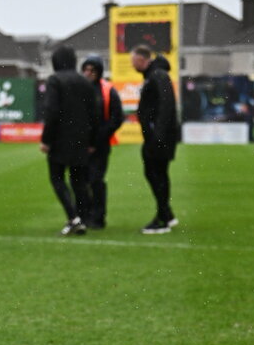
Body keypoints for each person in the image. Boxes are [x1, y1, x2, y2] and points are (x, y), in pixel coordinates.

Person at [40, 44, 99, 236]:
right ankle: (82, 218)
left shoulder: (55, 80)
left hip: (60, 139)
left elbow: (51, 111)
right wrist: (92, 141)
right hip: (81, 138)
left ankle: (73, 218)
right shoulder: (85, 82)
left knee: (57, 178)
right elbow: (94, 114)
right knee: (79, 181)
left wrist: (46, 139)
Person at [131, 44, 180, 234]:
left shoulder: (157, 76)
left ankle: (162, 218)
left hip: (159, 136)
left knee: (156, 173)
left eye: (133, 61)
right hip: (157, 135)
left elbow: (167, 105)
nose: (132, 65)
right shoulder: (155, 75)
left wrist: (158, 134)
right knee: (155, 173)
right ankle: (166, 214)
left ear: (142, 60)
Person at [80, 55, 124, 229]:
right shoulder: (77, 89)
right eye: (86, 69)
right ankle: (84, 216)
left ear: (99, 71)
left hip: (100, 145)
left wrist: (97, 140)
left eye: (92, 70)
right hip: (80, 145)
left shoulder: (108, 90)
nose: (88, 73)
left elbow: (116, 118)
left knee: (96, 181)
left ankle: (98, 218)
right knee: (80, 182)